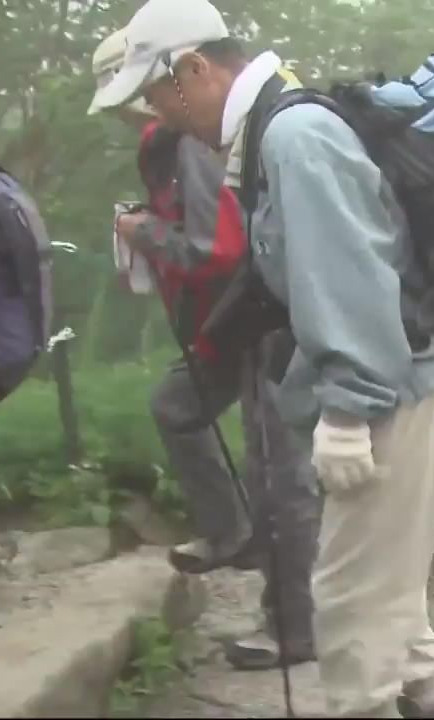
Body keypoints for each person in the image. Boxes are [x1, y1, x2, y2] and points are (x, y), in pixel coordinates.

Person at [91, 1, 434, 715]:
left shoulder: (293, 135)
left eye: (153, 92)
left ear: (195, 69)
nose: (155, 113)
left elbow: (345, 271)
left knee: (349, 600)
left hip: (391, 388)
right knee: (387, 589)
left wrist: (349, 409)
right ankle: (429, 698)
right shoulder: (276, 129)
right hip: (410, 376)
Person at [88, 28, 320, 671]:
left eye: (135, 95)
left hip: (262, 318)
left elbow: (217, 247)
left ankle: (295, 627)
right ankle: (233, 532)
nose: (132, 109)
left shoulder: (190, 142)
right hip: (226, 318)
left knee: (281, 473)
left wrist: (145, 232)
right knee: (177, 407)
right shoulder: (166, 142)